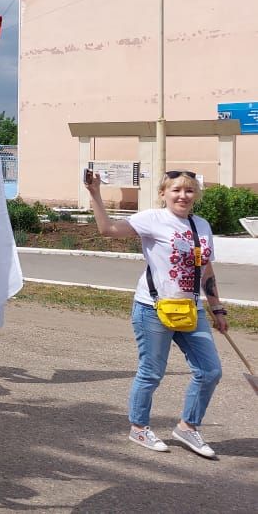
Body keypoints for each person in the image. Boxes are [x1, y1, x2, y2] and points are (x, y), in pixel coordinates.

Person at [86, 169, 227, 458]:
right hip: (152, 309)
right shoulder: (153, 219)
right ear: (163, 194)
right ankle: (139, 427)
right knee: (151, 373)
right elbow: (108, 230)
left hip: (190, 309)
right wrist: (94, 194)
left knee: (210, 371)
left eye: (188, 191)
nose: (183, 196)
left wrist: (217, 307)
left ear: (195, 195)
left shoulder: (201, 225)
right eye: (176, 190)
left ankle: (188, 427)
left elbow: (207, 269)